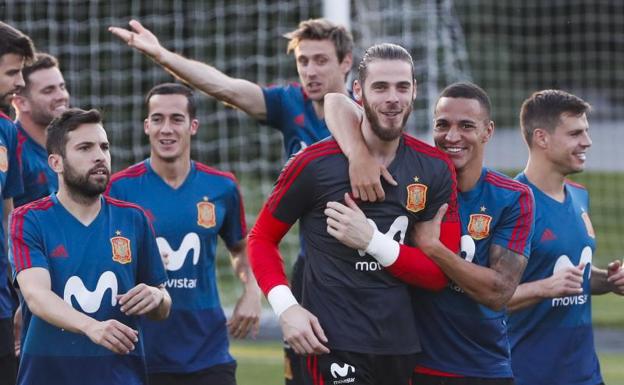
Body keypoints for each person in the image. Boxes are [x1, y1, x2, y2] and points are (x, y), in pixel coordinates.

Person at [109, 17, 355, 384]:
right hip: (313, 268)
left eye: (321, 60)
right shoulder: (291, 104)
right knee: (303, 373)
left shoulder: (365, 113)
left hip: (364, 268)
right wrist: (161, 54)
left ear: (346, 62)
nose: (310, 71)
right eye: (303, 61)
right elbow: (225, 87)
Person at [248, 43, 460, 385]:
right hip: (332, 343)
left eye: (402, 87)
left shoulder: (435, 168)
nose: (393, 98)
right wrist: (287, 308)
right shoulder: (314, 164)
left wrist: (373, 241)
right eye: (380, 87)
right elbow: (261, 238)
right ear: (357, 91)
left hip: (402, 345)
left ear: (414, 91)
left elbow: (439, 276)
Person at [323, 82, 534, 384]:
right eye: (442, 125)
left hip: (483, 367)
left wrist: (433, 248)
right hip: (411, 364)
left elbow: (498, 292)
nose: (451, 136)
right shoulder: (406, 176)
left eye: (466, 126)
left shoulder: (513, 197)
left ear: (488, 131)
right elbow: (335, 102)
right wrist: (358, 154)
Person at [106, 83, 261, 385]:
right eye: (158, 119)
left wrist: (252, 290)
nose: (167, 129)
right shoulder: (118, 189)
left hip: (208, 352)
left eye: (176, 119)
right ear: (146, 126)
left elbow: (240, 248)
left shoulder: (222, 187)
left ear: (193, 126)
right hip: (141, 350)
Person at [8, 108, 171, 385]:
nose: (99, 156)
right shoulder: (29, 219)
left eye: (104, 147)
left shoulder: (133, 218)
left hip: (121, 377)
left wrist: (157, 298)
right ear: (56, 162)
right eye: (85, 147)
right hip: (48, 377)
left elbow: (163, 303)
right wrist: (91, 327)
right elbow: (36, 297)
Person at [507, 89, 624, 385]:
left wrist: (609, 280)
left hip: (585, 375)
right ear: (541, 138)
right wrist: (544, 288)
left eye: (585, 131)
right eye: (575, 133)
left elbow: (573, 275)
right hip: (528, 376)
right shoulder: (510, 203)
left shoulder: (579, 195)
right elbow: (486, 298)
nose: (587, 141)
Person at [0, 21, 35, 384]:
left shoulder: (8, 131)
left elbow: (8, 212)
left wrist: (17, 285)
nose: (21, 81)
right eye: (12, 71)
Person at [12, 53, 67, 207]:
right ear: (21, 103)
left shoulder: (71, 144)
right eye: (48, 91)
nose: (61, 96)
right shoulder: (11, 150)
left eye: (62, 87)